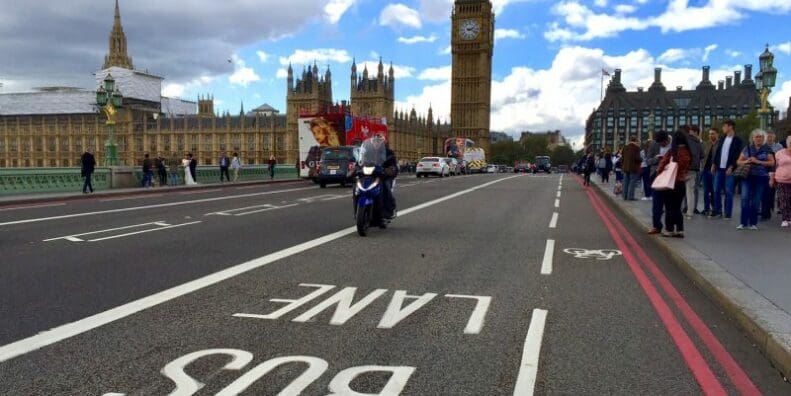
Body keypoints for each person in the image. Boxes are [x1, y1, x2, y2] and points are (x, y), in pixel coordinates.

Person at [735, 129, 775, 230]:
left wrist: (758, 161)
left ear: (763, 138)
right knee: (744, 198)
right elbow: (738, 161)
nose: (758, 139)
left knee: (756, 200)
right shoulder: (747, 148)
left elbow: (772, 163)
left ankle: (753, 223)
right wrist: (746, 161)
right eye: (756, 137)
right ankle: (743, 223)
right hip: (747, 176)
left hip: (761, 176)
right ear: (752, 138)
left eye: (760, 137)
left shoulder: (767, 149)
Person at [657, 130, 692, 238]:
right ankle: (680, 230)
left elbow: (661, 166)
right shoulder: (688, 152)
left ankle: (669, 229)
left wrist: (661, 170)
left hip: (670, 182)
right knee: (677, 207)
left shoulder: (672, 152)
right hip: (681, 182)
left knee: (669, 207)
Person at [711, 119, 743, 219]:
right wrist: (714, 164)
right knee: (716, 190)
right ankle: (718, 211)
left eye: (724, 126)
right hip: (719, 169)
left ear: (730, 127)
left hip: (730, 169)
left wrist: (732, 167)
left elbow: (738, 155)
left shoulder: (738, 140)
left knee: (728, 191)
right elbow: (718, 152)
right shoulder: (722, 138)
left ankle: (728, 213)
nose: (723, 128)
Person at [646, 131, 672, 234]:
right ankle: (656, 226)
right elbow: (648, 160)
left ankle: (669, 228)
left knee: (670, 204)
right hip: (657, 176)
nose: (662, 145)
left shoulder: (674, 144)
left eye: (663, 143)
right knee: (657, 203)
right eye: (660, 143)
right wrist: (656, 159)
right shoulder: (654, 145)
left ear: (667, 139)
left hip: (670, 176)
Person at [769, 136, 791, 227]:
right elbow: (774, 167)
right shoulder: (779, 153)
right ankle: (785, 218)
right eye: (790, 143)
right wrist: (771, 179)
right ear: (787, 143)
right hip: (782, 180)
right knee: (784, 199)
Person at [684, 125, 704, 218]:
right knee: (690, 191)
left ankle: (676, 209)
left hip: (683, 167)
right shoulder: (698, 142)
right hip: (694, 168)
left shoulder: (684, 140)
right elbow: (702, 156)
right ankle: (690, 212)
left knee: (679, 189)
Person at [701, 128, 719, 216]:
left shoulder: (719, 144)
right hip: (705, 169)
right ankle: (706, 208)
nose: (711, 135)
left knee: (714, 190)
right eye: (710, 134)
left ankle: (715, 208)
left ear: (717, 134)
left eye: (713, 134)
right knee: (705, 190)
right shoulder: (706, 144)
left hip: (714, 170)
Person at [621, 136, 642, 201]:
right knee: (632, 182)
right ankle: (630, 197)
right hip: (633, 168)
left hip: (625, 167)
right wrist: (641, 159)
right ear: (635, 141)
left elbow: (622, 158)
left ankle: (624, 196)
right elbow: (637, 158)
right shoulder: (636, 148)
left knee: (625, 182)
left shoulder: (625, 147)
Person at [382, 143, 398, 220]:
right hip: (373, 173)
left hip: (386, 175)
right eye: (375, 142)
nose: (376, 143)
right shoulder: (369, 152)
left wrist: (390, 169)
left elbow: (393, 165)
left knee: (386, 189)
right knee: (357, 187)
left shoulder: (389, 152)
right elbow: (362, 161)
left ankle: (390, 210)